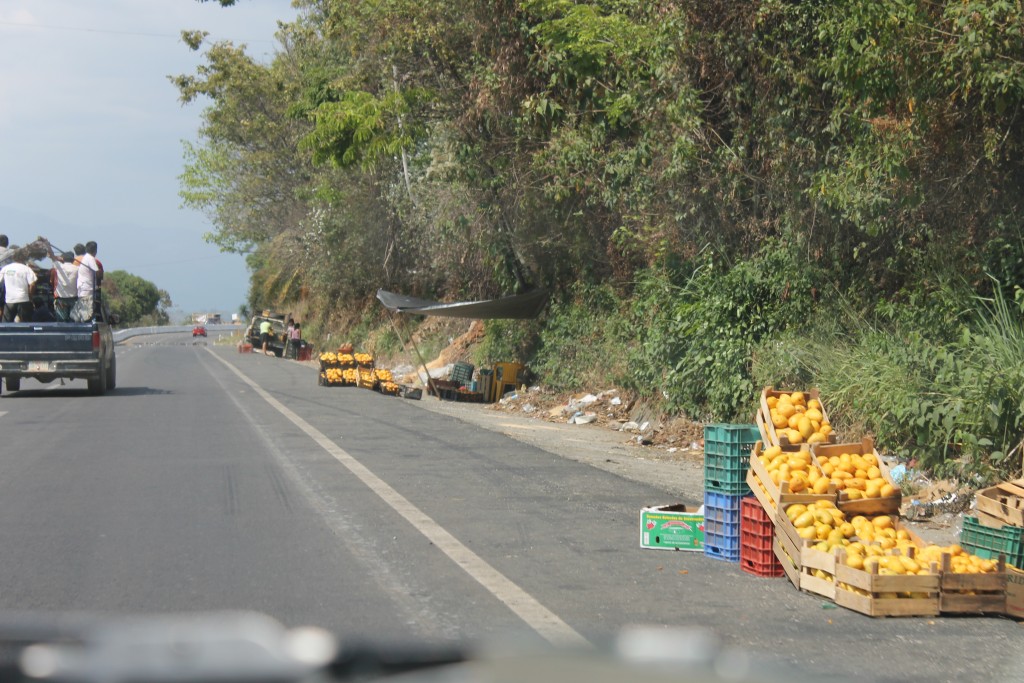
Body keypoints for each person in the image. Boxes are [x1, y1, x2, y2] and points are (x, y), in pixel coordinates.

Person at [45, 241, 79, 321]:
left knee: (61, 322)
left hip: (61, 299)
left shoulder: (59, 267)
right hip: (74, 299)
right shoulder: (77, 269)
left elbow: (52, 256)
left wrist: (48, 245)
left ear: (63, 259)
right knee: (73, 321)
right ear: (73, 260)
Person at [0, 251, 37, 322]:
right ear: (24, 258)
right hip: (23, 299)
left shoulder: (6, 268)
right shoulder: (27, 269)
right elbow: (32, 284)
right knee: (26, 323)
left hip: (9, 300)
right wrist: (30, 296)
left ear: (13, 258)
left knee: (6, 323)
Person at [72, 242, 99, 322]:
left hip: (83, 289)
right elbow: (97, 272)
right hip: (87, 290)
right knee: (87, 315)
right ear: (95, 250)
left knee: (83, 313)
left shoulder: (85, 258)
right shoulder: (90, 258)